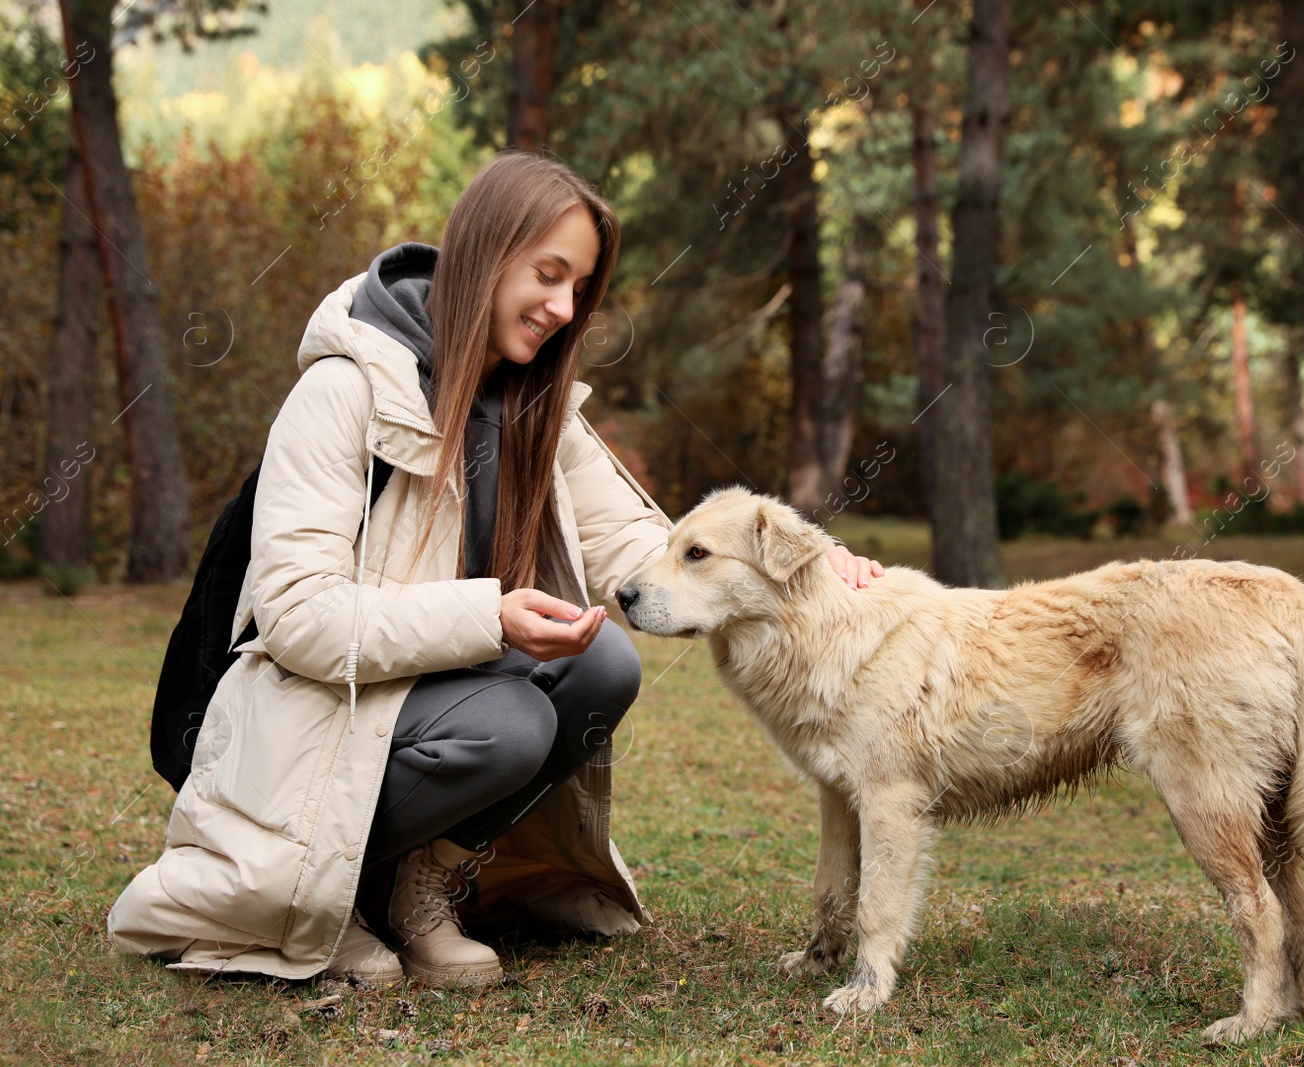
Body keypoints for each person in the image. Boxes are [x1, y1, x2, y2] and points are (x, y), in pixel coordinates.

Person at [107, 151, 883, 986]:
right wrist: (492, 616)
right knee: (509, 724)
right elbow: (298, 616)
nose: (562, 308)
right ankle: (330, 899)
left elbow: (644, 551)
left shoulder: (532, 403)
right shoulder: (341, 391)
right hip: (311, 712)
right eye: (549, 275)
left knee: (605, 663)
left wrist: (807, 562)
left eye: (579, 289)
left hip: (426, 697)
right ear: (485, 252)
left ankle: (420, 885)